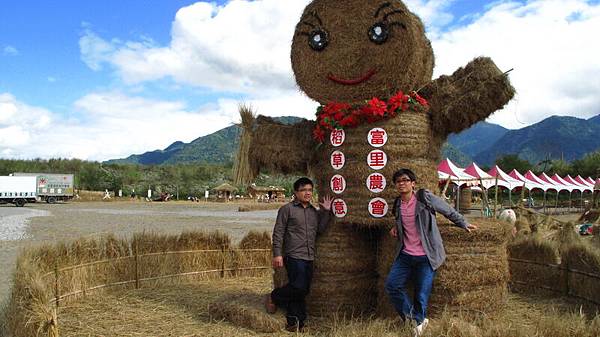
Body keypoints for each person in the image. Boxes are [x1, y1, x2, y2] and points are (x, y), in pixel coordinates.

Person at [385, 168, 477, 336]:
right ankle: (415, 320)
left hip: (427, 255)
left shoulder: (424, 197)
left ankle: (417, 323)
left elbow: (446, 210)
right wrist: (395, 228)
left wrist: (462, 222)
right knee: (392, 285)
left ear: (413, 184)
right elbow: (401, 220)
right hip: (405, 254)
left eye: (405, 180)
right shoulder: (398, 203)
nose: (401, 183)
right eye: (398, 181)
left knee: (421, 292)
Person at [264, 177, 332, 332]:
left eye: (309, 190)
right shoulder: (287, 209)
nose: (307, 193)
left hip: (309, 256)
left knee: (303, 291)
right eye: (303, 190)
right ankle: (275, 296)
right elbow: (278, 232)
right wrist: (277, 254)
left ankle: (296, 324)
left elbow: (319, 230)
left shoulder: (313, 211)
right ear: (296, 192)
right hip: (293, 255)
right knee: (299, 287)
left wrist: (326, 212)